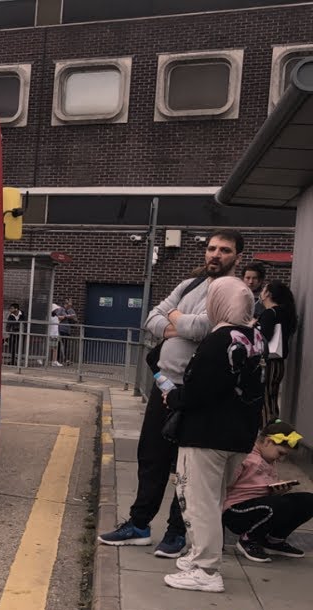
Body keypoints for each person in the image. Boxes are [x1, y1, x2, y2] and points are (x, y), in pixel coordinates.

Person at [99, 230, 244, 558]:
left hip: (194, 393)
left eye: (224, 250)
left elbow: (200, 329)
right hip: (163, 384)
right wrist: (182, 323)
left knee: (185, 466)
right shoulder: (191, 285)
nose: (215, 255)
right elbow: (151, 317)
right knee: (151, 457)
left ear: (237, 256)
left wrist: (175, 318)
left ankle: (177, 533)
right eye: (211, 248)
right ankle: (139, 525)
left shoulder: (232, 292)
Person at [162, 276, 266, 592]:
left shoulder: (219, 341)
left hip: (206, 435)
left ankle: (206, 570)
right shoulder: (254, 339)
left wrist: (173, 397)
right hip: (239, 436)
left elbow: (197, 392)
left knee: (198, 501)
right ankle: (198, 558)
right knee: (214, 499)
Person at [223, 420, 309, 563]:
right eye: (280, 453)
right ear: (268, 441)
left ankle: (274, 540)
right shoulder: (246, 457)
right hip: (236, 510)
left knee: (307, 501)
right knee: (280, 504)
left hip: (260, 506)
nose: (281, 459)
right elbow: (226, 483)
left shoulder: (268, 460)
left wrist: (278, 491)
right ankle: (248, 540)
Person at [256, 280, 297, 426]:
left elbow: (262, 338)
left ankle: (270, 433)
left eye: (264, 290)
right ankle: (276, 430)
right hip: (278, 362)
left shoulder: (269, 313)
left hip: (267, 362)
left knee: (265, 398)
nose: (261, 293)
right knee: (272, 397)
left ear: (268, 294)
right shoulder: (285, 313)